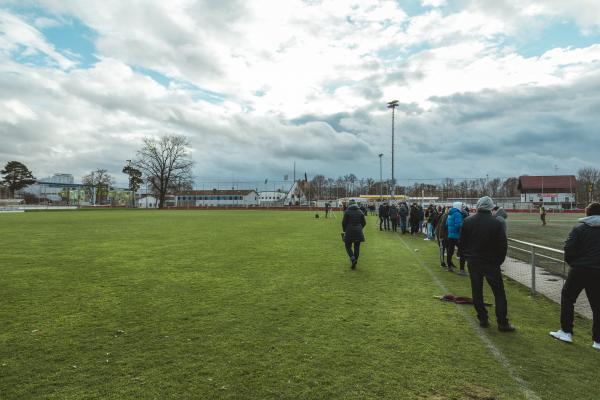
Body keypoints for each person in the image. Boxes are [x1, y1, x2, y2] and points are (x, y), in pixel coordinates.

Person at [549, 203, 600, 349]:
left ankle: (566, 332)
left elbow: (569, 249)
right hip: (597, 272)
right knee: (597, 306)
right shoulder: (580, 229)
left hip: (580, 270)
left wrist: (574, 263)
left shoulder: (579, 229)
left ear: (587, 214)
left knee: (567, 298)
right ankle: (598, 341)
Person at [460, 196, 514, 332]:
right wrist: (498, 261)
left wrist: (467, 258)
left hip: (474, 262)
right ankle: (502, 323)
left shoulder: (468, 221)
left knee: (477, 292)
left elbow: (462, 244)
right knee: (499, 293)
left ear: (478, 206)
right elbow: (503, 246)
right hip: (491, 263)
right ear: (491, 207)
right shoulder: (496, 223)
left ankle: (483, 319)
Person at [342, 199, 366, 269]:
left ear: (349, 204)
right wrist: (360, 228)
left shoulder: (347, 212)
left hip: (349, 231)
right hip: (358, 231)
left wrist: (344, 230)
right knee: (357, 247)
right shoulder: (360, 211)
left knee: (347, 246)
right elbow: (364, 222)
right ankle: (355, 260)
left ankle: (352, 259)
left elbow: (344, 223)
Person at [446, 202, 466, 274]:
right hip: (457, 236)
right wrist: (463, 225)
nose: (462, 208)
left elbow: (447, 224)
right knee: (462, 252)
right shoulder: (457, 214)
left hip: (450, 235)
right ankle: (462, 270)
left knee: (450, 251)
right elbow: (458, 225)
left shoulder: (450, 213)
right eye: (461, 206)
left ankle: (449, 267)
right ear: (458, 206)